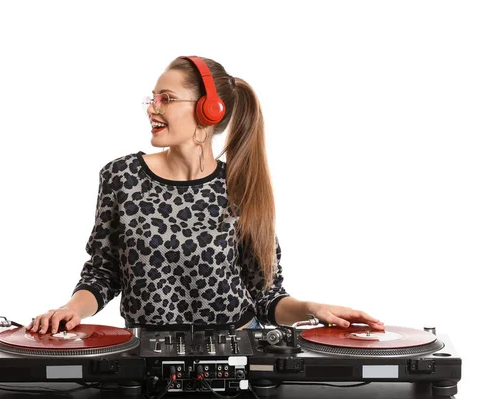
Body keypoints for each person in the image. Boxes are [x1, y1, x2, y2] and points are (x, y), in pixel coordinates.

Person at [28, 56, 384, 335]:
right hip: (145, 359)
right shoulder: (120, 176)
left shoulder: (241, 187)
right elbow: (104, 273)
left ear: (208, 110)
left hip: (238, 349)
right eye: (152, 98)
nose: (152, 108)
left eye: (165, 99)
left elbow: (266, 295)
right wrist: (70, 309)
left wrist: (312, 308)